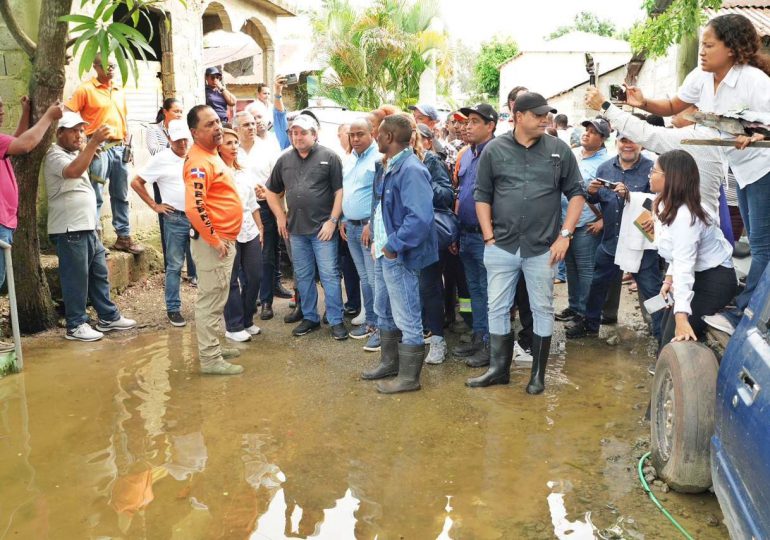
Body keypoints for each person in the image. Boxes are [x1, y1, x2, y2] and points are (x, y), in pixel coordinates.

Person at [625, 13, 770, 334]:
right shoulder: (701, 77)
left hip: (763, 167)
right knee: (758, 243)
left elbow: (767, 121)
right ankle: (747, 303)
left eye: (709, 45)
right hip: (741, 169)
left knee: (762, 246)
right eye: (701, 45)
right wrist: (644, 101)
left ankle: (746, 312)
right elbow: (673, 106)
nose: (702, 52)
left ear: (731, 49)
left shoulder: (753, 80)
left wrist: (758, 133)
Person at [471, 92, 586, 394]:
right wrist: (488, 237)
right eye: (537, 115)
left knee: (542, 309)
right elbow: (481, 195)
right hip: (501, 246)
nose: (544, 119)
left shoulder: (559, 151)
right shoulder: (495, 150)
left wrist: (566, 235)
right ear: (518, 116)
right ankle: (498, 369)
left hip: (542, 248)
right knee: (496, 307)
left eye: (546, 114)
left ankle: (538, 374)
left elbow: (576, 193)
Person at [360, 114, 437, 394]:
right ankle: (390, 363)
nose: (375, 137)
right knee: (384, 310)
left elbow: (419, 218)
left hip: (399, 254)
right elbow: (383, 210)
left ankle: (409, 378)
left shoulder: (411, 169)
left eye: (378, 133)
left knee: (407, 315)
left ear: (389, 137)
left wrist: (393, 246)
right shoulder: (391, 165)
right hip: (385, 252)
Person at [44, 112, 137, 341]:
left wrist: (89, 149)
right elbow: (72, 172)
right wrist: (93, 142)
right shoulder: (54, 155)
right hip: (70, 228)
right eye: (73, 130)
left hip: (86, 227)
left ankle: (107, 316)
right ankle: (76, 325)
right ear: (59, 133)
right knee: (76, 278)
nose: (79, 135)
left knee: (99, 274)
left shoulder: (76, 153)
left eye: (81, 130)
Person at [265, 114, 348, 340]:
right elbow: (271, 192)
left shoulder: (329, 157)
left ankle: (335, 320)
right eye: (294, 132)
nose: (298, 136)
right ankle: (310, 317)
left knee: (330, 276)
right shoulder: (284, 160)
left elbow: (339, 191)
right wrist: (281, 217)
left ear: (314, 134)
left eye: (303, 132)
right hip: (296, 231)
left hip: (323, 230)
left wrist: (332, 221)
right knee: (303, 276)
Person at [567, 135, 659, 340]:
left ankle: (661, 329)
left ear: (641, 143)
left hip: (641, 244)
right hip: (610, 242)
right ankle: (590, 324)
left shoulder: (653, 169)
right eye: (623, 140)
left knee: (652, 289)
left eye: (632, 140)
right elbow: (598, 199)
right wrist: (591, 193)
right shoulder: (605, 168)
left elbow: (661, 201)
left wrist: (631, 198)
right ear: (616, 143)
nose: (628, 145)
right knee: (597, 284)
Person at [649, 150, 737, 345]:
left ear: (671, 178)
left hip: (713, 280)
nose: (650, 175)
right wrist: (669, 280)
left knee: (675, 338)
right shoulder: (665, 204)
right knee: (665, 328)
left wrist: (682, 316)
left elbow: (684, 264)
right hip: (696, 274)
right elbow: (677, 253)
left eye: (654, 171)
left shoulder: (685, 216)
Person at [184, 105, 244, 375]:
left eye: (218, 121)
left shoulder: (211, 155)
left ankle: (214, 346)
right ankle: (210, 359)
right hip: (213, 244)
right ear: (195, 132)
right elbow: (194, 208)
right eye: (209, 124)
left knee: (218, 296)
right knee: (210, 300)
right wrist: (215, 239)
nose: (217, 127)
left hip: (222, 240)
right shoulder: (199, 162)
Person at [64, 54, 144, 254]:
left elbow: (122, 119)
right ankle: (95, 239)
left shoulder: (118, 91)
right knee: (95, 194)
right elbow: (67, 114)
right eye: (106, 66)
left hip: (119, 148)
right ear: (95, 67)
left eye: (113, 66)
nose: (111, 69)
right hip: (98, 150)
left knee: (121, 195)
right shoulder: (85, 89)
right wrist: (83, 144)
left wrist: (127, 144)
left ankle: (123, 237)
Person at [130, 119, 193, 327]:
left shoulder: (195, 155)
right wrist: (155, 205)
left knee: (203, 263)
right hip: (175, 217)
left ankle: (207, 306)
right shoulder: (161, 159)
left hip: (197, 216)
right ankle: (173, 308)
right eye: (177, 141)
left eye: (185, 139)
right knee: (174, 265)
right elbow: (136, 182)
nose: (182, 144)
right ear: (168, 138)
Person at [0, 95, 63, 291]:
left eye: (2, 105)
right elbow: (25, 144)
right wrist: (49, 117)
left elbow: (16, 141)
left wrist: (27, 112)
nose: (2, 111)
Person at [452, 104, 498, 368]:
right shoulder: (467, 154)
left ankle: (491, 345)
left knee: (491, 293)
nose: (467, 126)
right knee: (476, 291)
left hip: (485, 236)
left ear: (490, 125)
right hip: (466, 233)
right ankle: (479, 337)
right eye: (466, 121)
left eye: (474, 121)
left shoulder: (496, 153)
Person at [232, 110, 289, 322]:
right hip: (238, 211)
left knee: (266, 257)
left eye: (253, 124)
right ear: (236, 129)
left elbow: (280, 181)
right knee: (242, 257)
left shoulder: (268, 150)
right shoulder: (231, 151)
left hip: (264, 208)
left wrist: (268, 193)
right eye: (246, 125)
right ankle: (249, 298)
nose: (252, 127)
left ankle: (266, 301)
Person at [555, 119, 608, 328]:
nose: (586, 134)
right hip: (566, 223)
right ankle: (574, 306)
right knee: (571, 267)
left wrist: (602, 220)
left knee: (586, 269)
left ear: (603, 139)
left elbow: (611, 197)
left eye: (594, 132)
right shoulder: (574, 155)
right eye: (586, 130)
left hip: (588, 223)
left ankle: (586, 313)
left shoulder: (605, 163)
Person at [144, 97, 197, 286]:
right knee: (173, 254)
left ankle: (194, 273)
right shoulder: (155, 130)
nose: (179, 114)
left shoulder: (194, 153)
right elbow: (154, 151)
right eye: (175, 111)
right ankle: (173, 299)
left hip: (193, 208)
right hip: (163, 181)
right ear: (165, 111)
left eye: (181, 111)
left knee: (196, 246)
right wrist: (154, 205)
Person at [414, 122, 454, 365]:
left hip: (429, 233)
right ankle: (419, 333)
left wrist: (424, 181)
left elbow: (447, 196)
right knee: (414, 288)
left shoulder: (431, 162)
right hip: (407, 235)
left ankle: (438, 339)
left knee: (429, 287)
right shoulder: (393, 162)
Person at [340, 117, 382, 351]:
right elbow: (348, 191)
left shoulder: (378, 159)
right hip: (351, 227)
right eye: (351, 135)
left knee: (376, 280)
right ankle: (371, 322)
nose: (355, 139)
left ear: (372, 133)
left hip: (369, 228)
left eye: (360, 134)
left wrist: (371, 224)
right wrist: (344, 219)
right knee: (364, 278)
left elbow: (381, 196)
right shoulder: (349, 160)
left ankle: (381, 328)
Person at [219, 128, 264, 342]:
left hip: (250, 230)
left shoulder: (244, 172)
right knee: (232, 279)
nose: (234, 146)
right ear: (219, 146)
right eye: (228, 143)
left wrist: (260, 227)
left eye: (236, 142)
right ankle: (234, 325)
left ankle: (247, 320)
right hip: (228, 232)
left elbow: (253, 203)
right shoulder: (217, 171)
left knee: (255, 276)